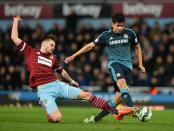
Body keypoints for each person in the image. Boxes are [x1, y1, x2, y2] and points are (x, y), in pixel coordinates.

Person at [11, 16, 126, 123]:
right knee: (56, 118)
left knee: (87, 95)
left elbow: (62, 72)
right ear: (44, 44)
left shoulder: (53, 58)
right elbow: (14, 38)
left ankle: (115, 111)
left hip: (57, 85)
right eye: (52, 45)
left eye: (54, 46)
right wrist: (16, 20)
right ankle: (47, 107)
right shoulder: (31, 52)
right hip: (44, 91)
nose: (53, 47)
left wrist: (71, 81)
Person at [65, 13, 145, 123]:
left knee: (117, 99)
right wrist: (74, 55)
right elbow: (90, 46)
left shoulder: (130, 33)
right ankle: (134, 110)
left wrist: (140, 64)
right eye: (118, 25)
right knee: (122, 86)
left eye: (122, 25)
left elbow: (137, 47)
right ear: (112, 24)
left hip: (128, 67)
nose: (120, 28)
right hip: (115, 64)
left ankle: (94, 119)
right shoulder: (106, 35)